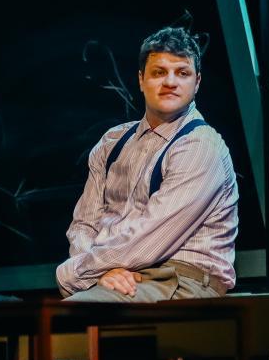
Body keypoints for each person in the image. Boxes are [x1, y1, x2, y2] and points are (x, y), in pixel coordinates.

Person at [57, 24, 238, 301]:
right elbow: (84, 225)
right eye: (159, 72)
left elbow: (151, 237)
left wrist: (76, 272)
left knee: (69, 315)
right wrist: (98, 273)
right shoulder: (112, 142)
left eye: (182, 73)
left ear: (197, 82)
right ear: (141, 80)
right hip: (115, 274)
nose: (170, 82)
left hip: (181, 279)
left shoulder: (200, 145)